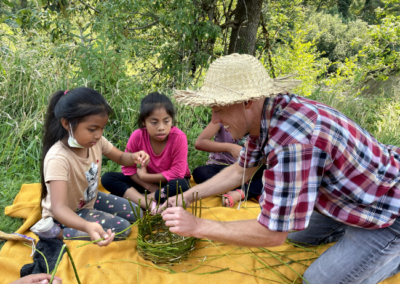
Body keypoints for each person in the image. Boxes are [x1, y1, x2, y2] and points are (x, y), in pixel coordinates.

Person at [161, 53, 400, 284]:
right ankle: (347, 232)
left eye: (219, 108)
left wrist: (198, 226)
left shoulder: (292, 143)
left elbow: (272, 234)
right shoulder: (265, 114)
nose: (214, 119)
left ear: (247, 101)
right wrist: (188, 196)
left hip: (385, 207)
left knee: (315, 280)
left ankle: (392, 255)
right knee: (298, 238)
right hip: (347, 193)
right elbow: (239, 171)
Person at [33, 87, 149, 247]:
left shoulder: (95, 142)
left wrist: (135, 157)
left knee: (137, 212)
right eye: (92, 129)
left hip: (88, 200)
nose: (99, 134)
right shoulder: (58, 158)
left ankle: (84, 222)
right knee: (122, 229)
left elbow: (122, 158)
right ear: (67, 124)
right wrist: (87, 226)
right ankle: (54, 232)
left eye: (102, 128)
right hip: (65, 214)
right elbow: (59, 208)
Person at [101, 92, 191, 212]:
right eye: (154, 122)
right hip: (147, 185)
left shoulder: (179, 137)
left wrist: (145, 176)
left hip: (169, 184)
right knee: (107, 178)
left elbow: (177, 173)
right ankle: (150, 202)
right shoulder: (137, 136)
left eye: (166, 121)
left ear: (172, 120)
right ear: (144, 122)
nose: (161, 127)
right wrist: (149, 185)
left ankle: (139, 200)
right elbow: (128, 169)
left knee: (182, 186)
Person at [193, 121, 265, 207]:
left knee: (274, 173)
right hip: (222, 167)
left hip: (248, 169)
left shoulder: (258, 120)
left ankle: (241, 192)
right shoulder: (221, 117)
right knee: (200, 173)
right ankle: (251, 190)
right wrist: (229, 148)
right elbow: (200, 143)